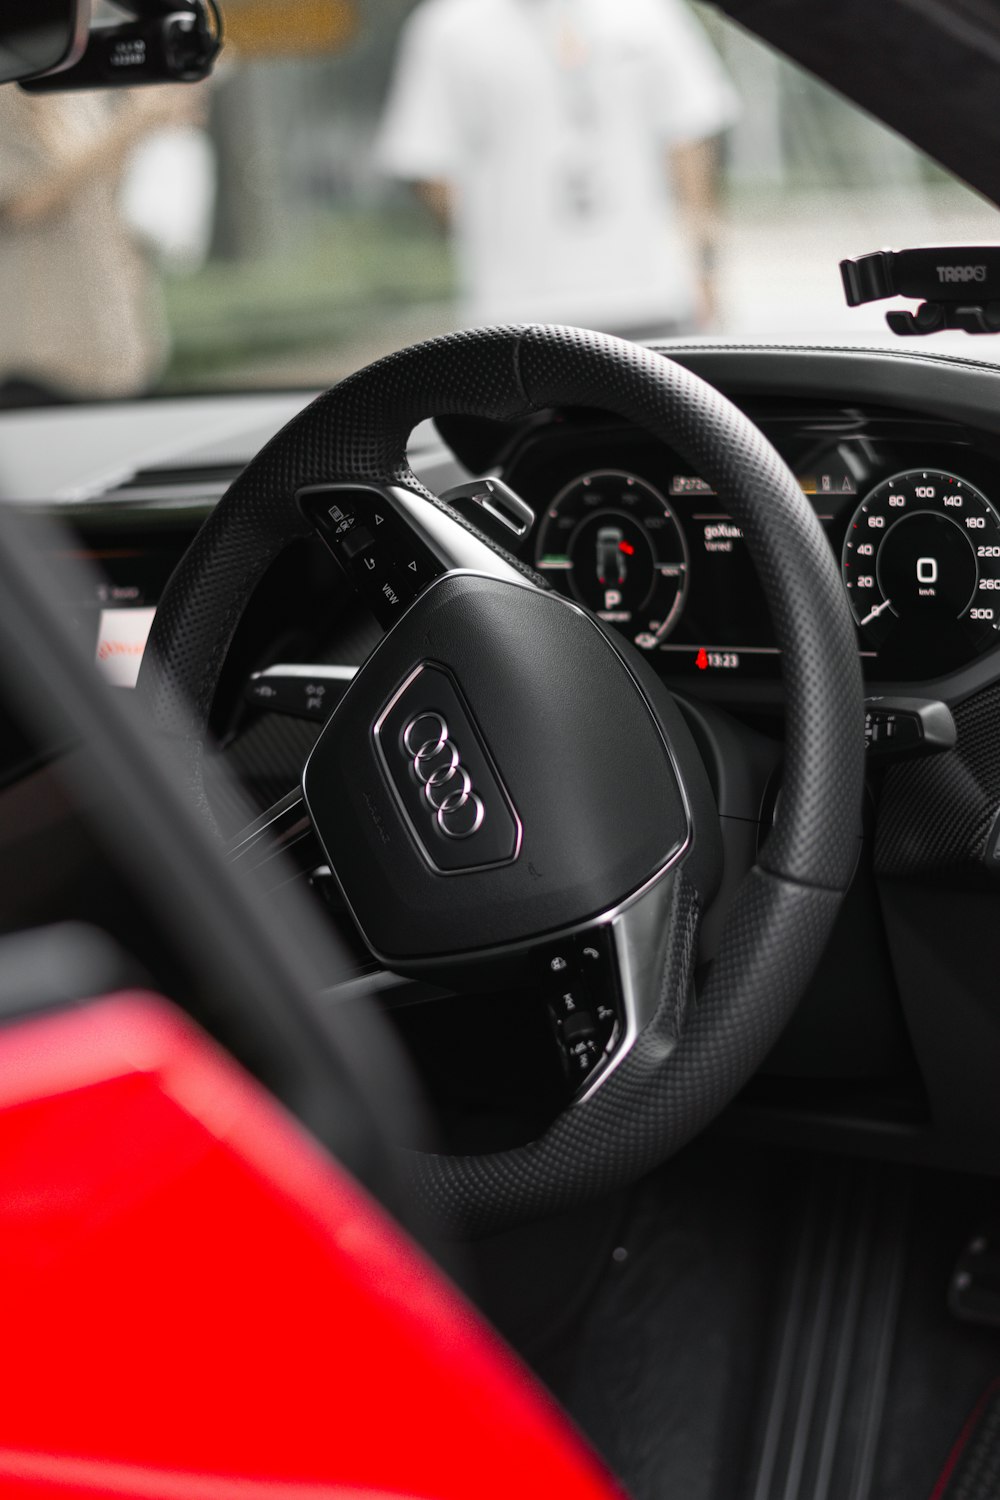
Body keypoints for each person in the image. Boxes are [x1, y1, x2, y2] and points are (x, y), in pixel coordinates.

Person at [376, 0, 739, 337]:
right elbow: (428, 165)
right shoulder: (447, 26)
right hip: (513, 316)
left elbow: (690, 139)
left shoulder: (649, 11)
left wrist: (705, 270)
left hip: (645, 297)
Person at [0, 87, 192, 406]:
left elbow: (104, 180)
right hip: (38, 365)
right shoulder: (8, 93)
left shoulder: (78, 90)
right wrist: (129, 126)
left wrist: (149, 123)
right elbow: (24, 204)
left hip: (117, 355)